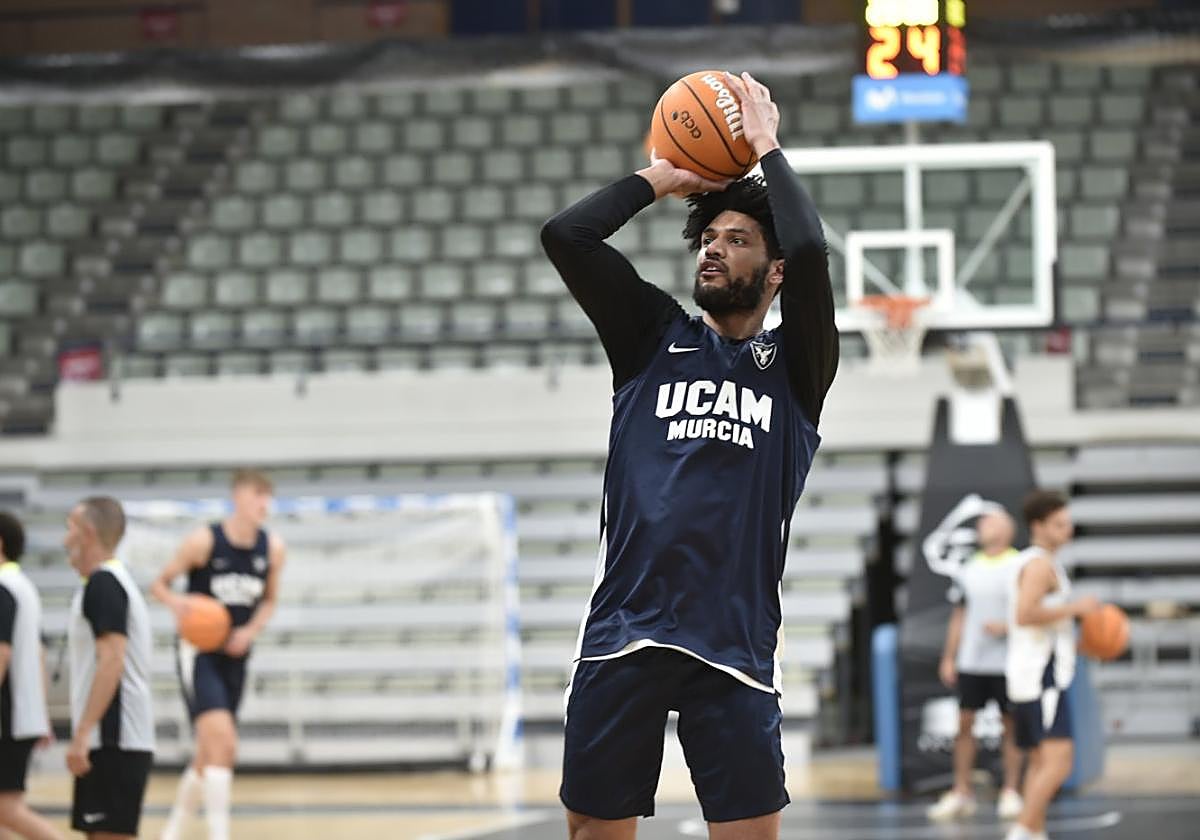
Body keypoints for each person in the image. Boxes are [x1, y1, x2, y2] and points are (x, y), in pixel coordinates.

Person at [541, 71, 838, 840]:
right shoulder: (651, 337)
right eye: (708, 238)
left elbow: (809, 247)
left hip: (734, 648)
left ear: (773, 275)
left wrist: (766, 145)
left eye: (736, 240)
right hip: (623, 634)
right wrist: (665, 175)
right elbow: (565, 237)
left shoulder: (797, 368)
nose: (713, 250)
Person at [152, 469, 286, 840]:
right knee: (224, 743)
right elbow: (160, 585)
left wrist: (249, 630)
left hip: (237, 654)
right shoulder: (203, 541)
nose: (264, 503)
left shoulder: (272, 547)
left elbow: (270, 600)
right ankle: (218, 834)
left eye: (268, 496)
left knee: (209, 752)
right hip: (200, 653)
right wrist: (181, 604)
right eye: (258, 494)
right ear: (238, 496)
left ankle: (174, 831)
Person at [1004, 491, 1099, 840]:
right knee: (1059, 762)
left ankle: (1035, 830)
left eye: (1068, 522)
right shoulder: (1039, 564)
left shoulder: (1039, 561)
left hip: (1032, 670)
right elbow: (1025, 614)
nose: (1068, 529)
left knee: (1041, 762)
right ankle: (1021, 830)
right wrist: (1077, 609)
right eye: (1059, 524)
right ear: (1038, 527)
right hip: (1040, 674)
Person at [63, 497, 154, 840]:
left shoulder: (104, 584)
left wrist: (83, 733)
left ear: (87, 533)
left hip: (114, 740)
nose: (64, 538)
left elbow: (112, 660)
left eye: (69, 527)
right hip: (116, 740)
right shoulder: (110, 582)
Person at [928, 509, 1025, 821]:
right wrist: (949, 656)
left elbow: (1030, 610)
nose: (982, 527)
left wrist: (1008, 626)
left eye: (989, 522)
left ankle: (1011, 791)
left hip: (1007, 662)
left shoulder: (1018, 565)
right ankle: (962, 791)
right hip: (972, 661)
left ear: (1006, 530)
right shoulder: (969, 567)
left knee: (1010, 725)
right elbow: (960, 614)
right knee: (964, 725)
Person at [0, 511, 60, 840]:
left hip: (6, 718)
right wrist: (41, 713)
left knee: (6, 809)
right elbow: (37, 652)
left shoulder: (3, 587)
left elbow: (2, 653)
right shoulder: (23, 585)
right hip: (21, 715)